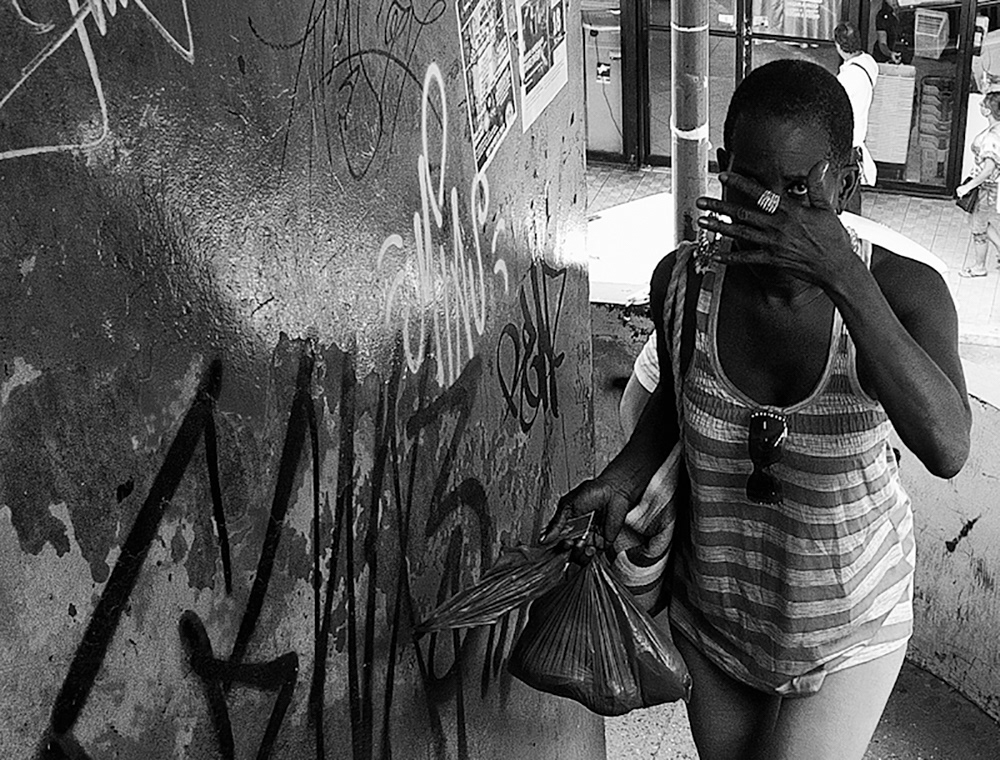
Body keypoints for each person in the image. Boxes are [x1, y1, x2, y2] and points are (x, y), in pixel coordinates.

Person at [546, 59, 970, 760]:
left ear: (846, 181)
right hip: (719, 609)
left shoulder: (905, 293)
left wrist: (841, 273)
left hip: (850, 619)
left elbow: (948, 445)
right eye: (749, 183)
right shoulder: (684, 279)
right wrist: (621, 480)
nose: (769, 212)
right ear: (722, 171)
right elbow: (676, 403)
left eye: (798, 189)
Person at [835, 21, 878, 211]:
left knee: (844, 192)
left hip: (846, 142)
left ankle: (849, 223)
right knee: (852, 186)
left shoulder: (847, 79)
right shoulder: (869, 63)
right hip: (858, 138)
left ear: (838, 46)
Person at [956, 91, 1000, 278]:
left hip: (985, 187)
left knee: (978, 228)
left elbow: (989, 168)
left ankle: (979, 266)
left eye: (983, 104)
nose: (980, 106)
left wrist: (968, 186)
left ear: (988, 110)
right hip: (989, 186)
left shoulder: (991, 138)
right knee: (980, 221)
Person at [872, 0, 902, 64]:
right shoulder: (883, 16)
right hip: (884, 59)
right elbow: (882, 43)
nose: (894, 1)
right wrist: (890, 54)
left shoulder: (906, 13)